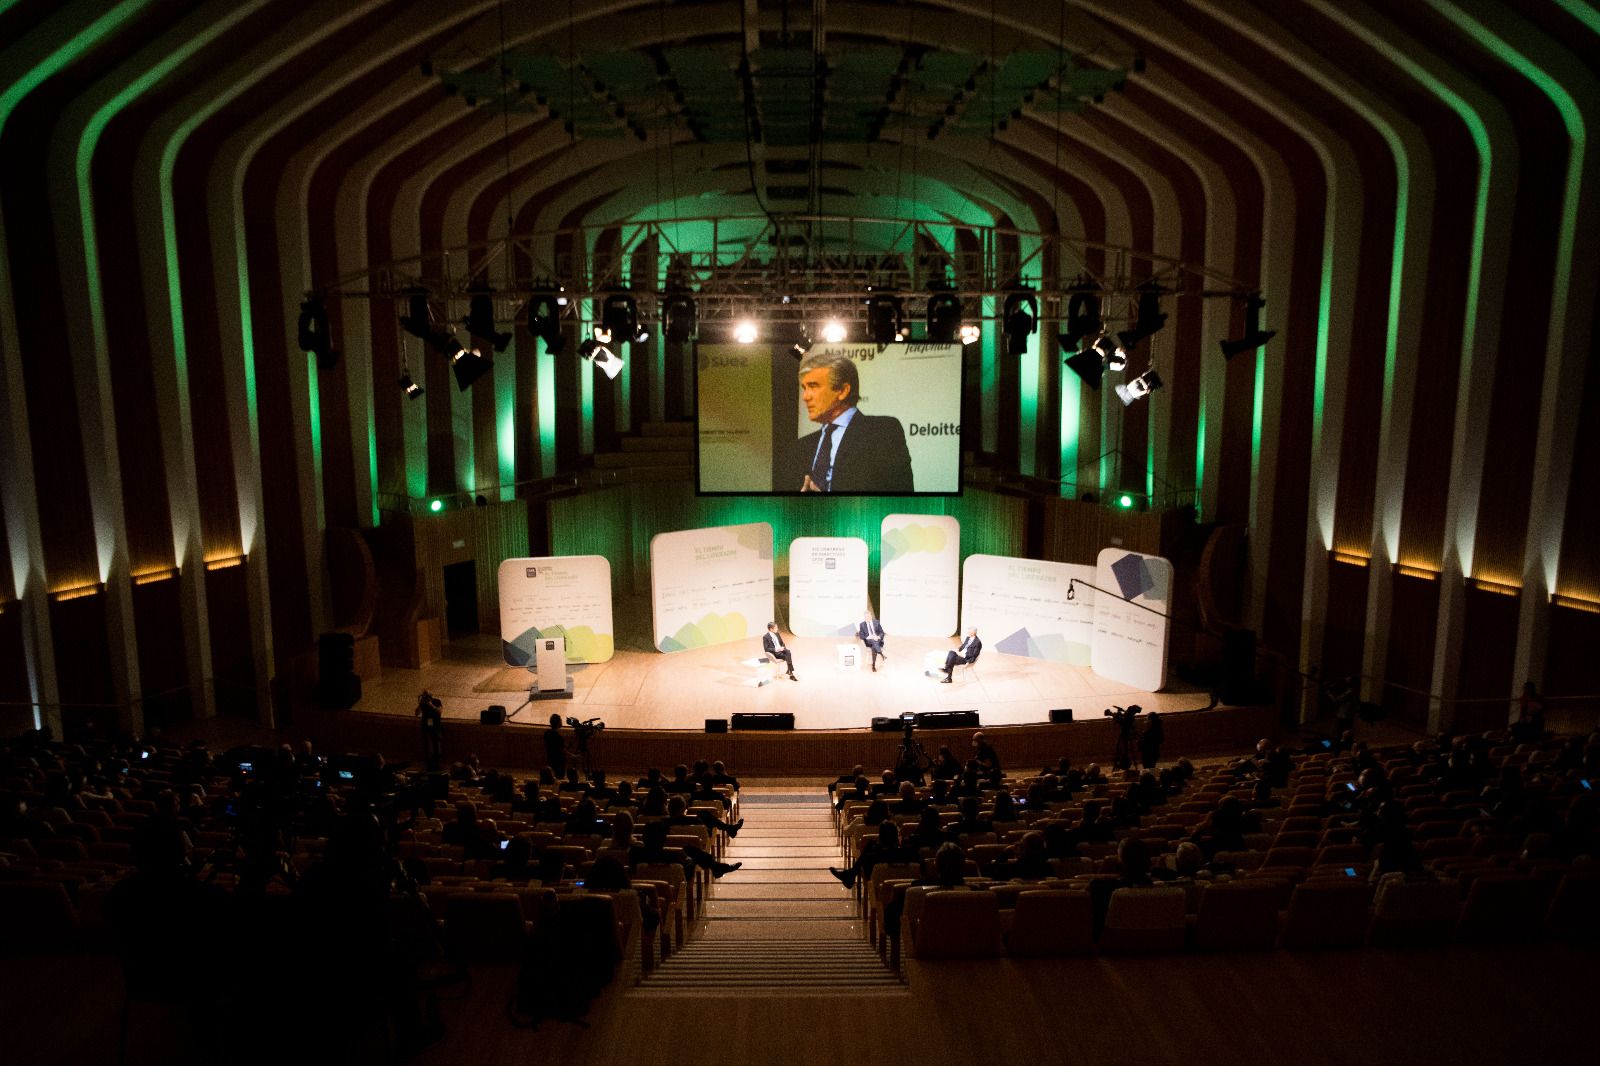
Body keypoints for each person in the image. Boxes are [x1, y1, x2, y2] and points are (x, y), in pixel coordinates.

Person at [791, 351, 914, 493]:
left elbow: (899, 493)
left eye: (813, 386)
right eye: (804, 388)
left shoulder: (883, 433)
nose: (805, 397)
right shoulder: (801, 447)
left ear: (843, 390)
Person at [415, 691, 443, 770]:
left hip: (436, 727)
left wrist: (431, 705)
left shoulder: (437, 701)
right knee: (427, 747)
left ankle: (437, 764)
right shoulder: (423, 703)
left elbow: (439, 711)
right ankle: (429, 765)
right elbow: (417, 713)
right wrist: (420, 704)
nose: (426, 698)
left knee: (437, 746)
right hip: (426, 728)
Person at [543, 714, 568, 778]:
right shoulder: (557, 736)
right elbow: (562, 750)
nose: (561, 722)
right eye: (560, 720)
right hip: (558, 763)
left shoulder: (547, 733)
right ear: (558, 723)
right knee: (559, 778)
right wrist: (574, 756)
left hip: (550, 760)